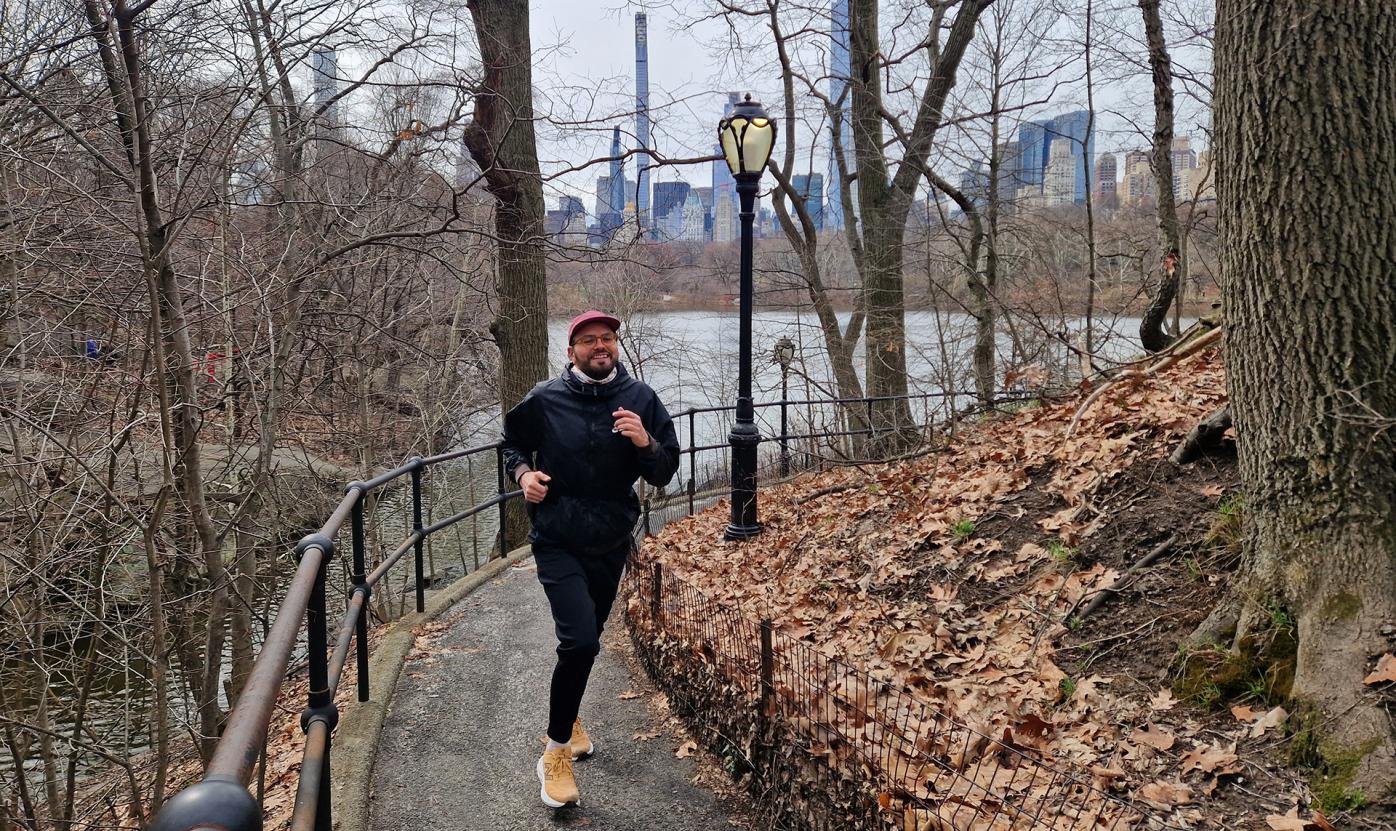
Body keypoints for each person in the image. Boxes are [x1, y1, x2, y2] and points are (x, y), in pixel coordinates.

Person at [500, 310, 679, 808]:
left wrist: (644, 442)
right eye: (589, 340)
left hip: (612, 540)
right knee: (578, 642)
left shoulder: (640, 399)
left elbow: (665, 471)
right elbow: (511, 443)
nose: (601, 346)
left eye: (608, 338)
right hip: (557, 537)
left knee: (588, 641)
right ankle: (554, 752)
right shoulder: (544, 399)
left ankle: (569, 712)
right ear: (571, 350)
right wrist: (522, 477)